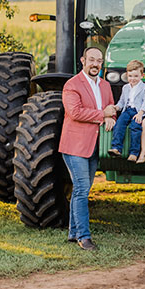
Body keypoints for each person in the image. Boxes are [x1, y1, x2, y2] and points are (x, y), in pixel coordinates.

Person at [59, 47, 116, 251]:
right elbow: (74, 112)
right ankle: (84, 237)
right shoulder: (72, 84)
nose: (95, 64)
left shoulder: (105, 85)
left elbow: (111, 108)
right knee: (82, 189)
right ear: (83, 60)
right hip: (74, 146)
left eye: (99, 61)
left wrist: (111, 117)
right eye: (91, 60)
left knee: (81, 190)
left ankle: (73, 232)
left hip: (94, 146)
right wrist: (103, 115)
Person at [108, 60, 145, 161]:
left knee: (135, 127)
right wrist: (116, 107)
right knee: (119, 124)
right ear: (127, 75)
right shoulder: (125, 87)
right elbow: (122, 101)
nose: (133, 79)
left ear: (142, 76)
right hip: (127, 110)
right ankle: (116, 148)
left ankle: (134, 153)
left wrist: (140, 113)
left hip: (138, 111)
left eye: (136, 76)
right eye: (130, 76)